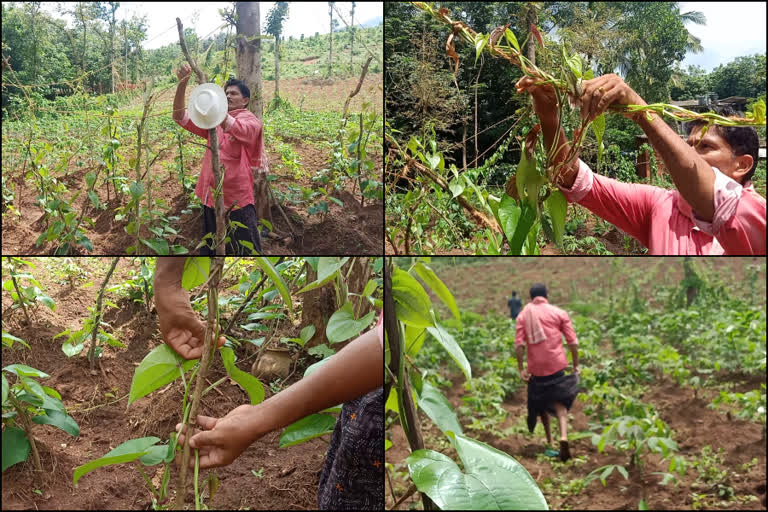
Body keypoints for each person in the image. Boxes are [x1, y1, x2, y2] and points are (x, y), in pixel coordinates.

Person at [153, 257, 384, 509]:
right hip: (364, 403)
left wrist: (257, 418)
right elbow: (381, 347)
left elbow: (382, 348)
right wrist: (168, 284)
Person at [516, 74, 766, 255]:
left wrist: (640, 109)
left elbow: (717, 200)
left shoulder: (756, 217)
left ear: (742, 165)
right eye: (688, 145)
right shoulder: (661, 206)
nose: (689, 153)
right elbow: (574, 179)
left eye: (705, 146)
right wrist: (549, 119)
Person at [173, 64, 269, 255]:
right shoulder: (213, 123)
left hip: (237, 199)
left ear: (245, 100)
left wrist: (215, 110)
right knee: (211, 249)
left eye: (233, 93)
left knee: (247, 251)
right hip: (211, 196)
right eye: (225, 93)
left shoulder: (250, 120)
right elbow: (179, 117)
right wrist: (182, 84)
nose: (228, 96)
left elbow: (242, 130)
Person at [515, 283, 580, 462]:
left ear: (531, 298)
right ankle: (564, 436)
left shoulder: (523, 315)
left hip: (536, 368)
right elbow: (573, 342)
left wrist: (521, 369)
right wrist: (575, 365)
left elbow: (519, 346)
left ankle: (550, 442)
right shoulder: (558, 313)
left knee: (541, 405)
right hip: (556, 365)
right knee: (560, 404)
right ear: (546, 295)